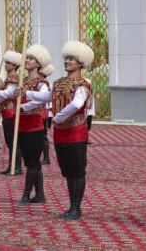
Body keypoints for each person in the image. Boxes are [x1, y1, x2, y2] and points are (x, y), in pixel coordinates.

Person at [24, 41, 94, 220]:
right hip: (61, 134)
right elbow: (47, 96)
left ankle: (76, 208)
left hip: (76, 132)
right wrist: (26, 95)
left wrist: (57, 117)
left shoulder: (82, 85)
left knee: (77, 171)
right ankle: (71, 206)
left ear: (80, 63)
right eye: (66, 58)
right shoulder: (59, 83)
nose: (67, 61)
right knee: (68, 171)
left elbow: (77, 104)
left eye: (71, 58)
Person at [16, 45, 53, 205]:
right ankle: (39, 195)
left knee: (32, 163)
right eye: (28, 58)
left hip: (35, 126)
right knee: (32, 162)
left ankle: (25, 195)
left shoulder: (42, 82)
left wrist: (23, 105)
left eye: (31, 59)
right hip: (22, 125)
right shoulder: (22, 81)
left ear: (38, 64)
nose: (28, 61)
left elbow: (44, 98)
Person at [0, 51, 23, 175]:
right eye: (6, 62)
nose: (6, 65)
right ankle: (11, 166)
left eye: (9, 63)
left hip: (11, 113)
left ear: (15, 65)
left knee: (13, 141)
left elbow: (7, 93)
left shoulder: (13, 78)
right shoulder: (9, 78)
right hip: (6, 112)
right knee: (9, 142)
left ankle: (16, 167)